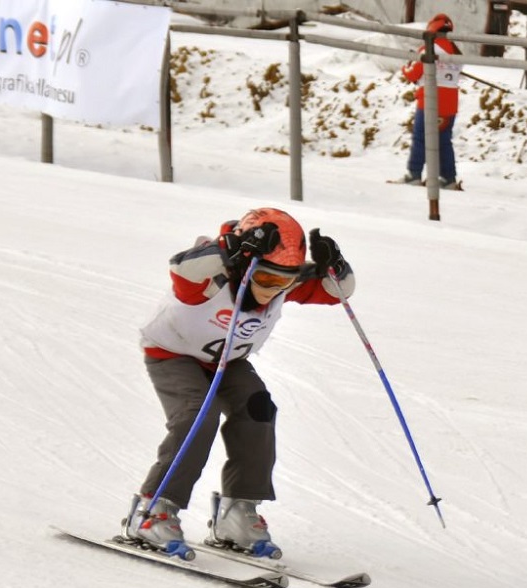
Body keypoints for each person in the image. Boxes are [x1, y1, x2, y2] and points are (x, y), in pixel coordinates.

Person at [122, 207, 355, 558]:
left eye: (285, 282)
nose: (273, 290)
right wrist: (230, 247)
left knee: (258, 408)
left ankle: (237, 510)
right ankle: (154, 509)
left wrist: (334, 266)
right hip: (173, 354)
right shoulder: (212, 275)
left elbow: (339, 292)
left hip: (227, 362)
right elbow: (181, 268)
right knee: (198, 414)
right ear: (245, 265)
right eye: (266, 280)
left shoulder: (280, 282)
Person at [401, 13, 463, 189]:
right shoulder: (455, 51)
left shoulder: (429, 48)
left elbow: (413, 74)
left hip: (430, 98)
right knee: (444, 140)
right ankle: (449, 178)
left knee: (421, 138)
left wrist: (406, 65)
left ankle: (414, 174)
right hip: (450, 102)